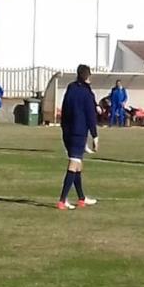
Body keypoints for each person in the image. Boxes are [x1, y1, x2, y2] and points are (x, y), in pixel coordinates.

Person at [58, 64, 99, 210]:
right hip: (78, 131)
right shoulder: (87, 93)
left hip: (67, 130)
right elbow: (90, 115)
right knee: (74, 163)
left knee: (78, 164)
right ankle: (62, 200)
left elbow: (65, 109)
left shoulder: (71, 88)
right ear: (88, 76)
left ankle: (81, 198)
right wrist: (95, 136)